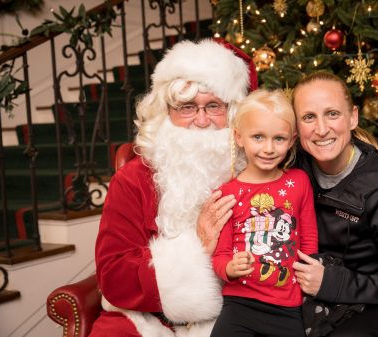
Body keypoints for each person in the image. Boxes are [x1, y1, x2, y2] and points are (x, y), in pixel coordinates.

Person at [89, 38, 258, 337]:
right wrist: (198, 248)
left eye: (214, 106)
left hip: (236, 315)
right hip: (146, 319)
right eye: (187, 107)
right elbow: (113, 275)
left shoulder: (257, 173)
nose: (201, 120)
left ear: (234, 113)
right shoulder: (132, 180)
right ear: (166, 112)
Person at [291, 72, 378, 337]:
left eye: (332, 114)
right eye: (309, 117)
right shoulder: (292, 175)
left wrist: (331, 282)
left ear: (353, 117)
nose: (321, 129)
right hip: (326, 299)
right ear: (296, 127)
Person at [210, 89, 319, 337]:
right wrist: (230, 268)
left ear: (292, 140)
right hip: (240, 304)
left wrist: (308, 281)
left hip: (287, 307)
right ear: (239, 137)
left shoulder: (299, 181)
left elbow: (309, 239)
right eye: (258, 137)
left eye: (278, 139)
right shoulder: (228, 193)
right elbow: (220, 256)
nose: (268, 148)